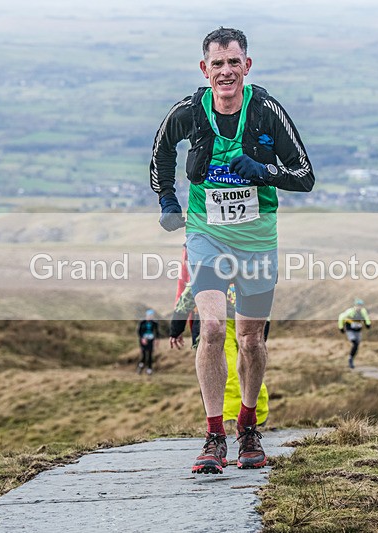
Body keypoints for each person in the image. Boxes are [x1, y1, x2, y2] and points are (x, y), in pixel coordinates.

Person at [150, 27, 314, 474]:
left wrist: (263, 170)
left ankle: (247, 425)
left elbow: (304, 175)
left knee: (250, 339)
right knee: (212, 328)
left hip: (257, 238)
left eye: (234, 62)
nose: (226, 71)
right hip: (207, 234)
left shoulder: (265, 111)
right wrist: (168, 201)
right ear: (205, 69)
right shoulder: (189, 111)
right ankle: (213, 435)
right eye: (217, 64)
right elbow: (161, 151)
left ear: (247, 66)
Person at [170, 279, 270, 427]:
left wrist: (176, 329)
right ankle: (253, 416)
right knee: (245, 368)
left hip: (228, 323)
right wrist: (262, 333)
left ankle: (233, 418)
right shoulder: (246, 265)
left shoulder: (211, 264)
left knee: (235, 369)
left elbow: (186, 298)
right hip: (238, 323)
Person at [338, 298, 372, 369]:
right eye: (357, 305)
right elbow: (341, 317)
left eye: (360, 306)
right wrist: (341, 327)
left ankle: (351, 358)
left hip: (358, 330)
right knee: (355, 343)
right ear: (355, 306)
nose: (359, 307)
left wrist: (368, 324)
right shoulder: (350, 311)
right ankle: (350, 360)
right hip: (350, 330)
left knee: (356, 346)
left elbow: (366, 318)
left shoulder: (363, 311)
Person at [137, 310, 160, 375]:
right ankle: (141, 365)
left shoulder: (155, 323)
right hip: (143, 339)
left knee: (150, 354)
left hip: (151, 339)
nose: (150, 317)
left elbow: (157, 332)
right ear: (146, 316)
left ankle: (149, 369)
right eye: (149, 316)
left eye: (151, 316)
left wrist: (157, 339)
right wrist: (142, 338)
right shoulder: (142, 322)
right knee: (144, 354)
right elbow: (139, 331)